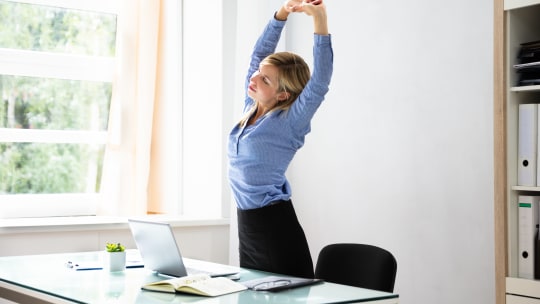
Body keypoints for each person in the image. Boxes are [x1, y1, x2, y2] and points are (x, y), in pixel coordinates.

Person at [227, 0, 333, 279]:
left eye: (266, 79)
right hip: (247, 224)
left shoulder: (290, 122)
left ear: (283, 94)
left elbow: (319, 83)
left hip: (274, 227)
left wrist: (319, 20)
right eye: (259, 73)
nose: (255, 78)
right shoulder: (250, 108)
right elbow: (259, 54)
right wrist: (282, 13)